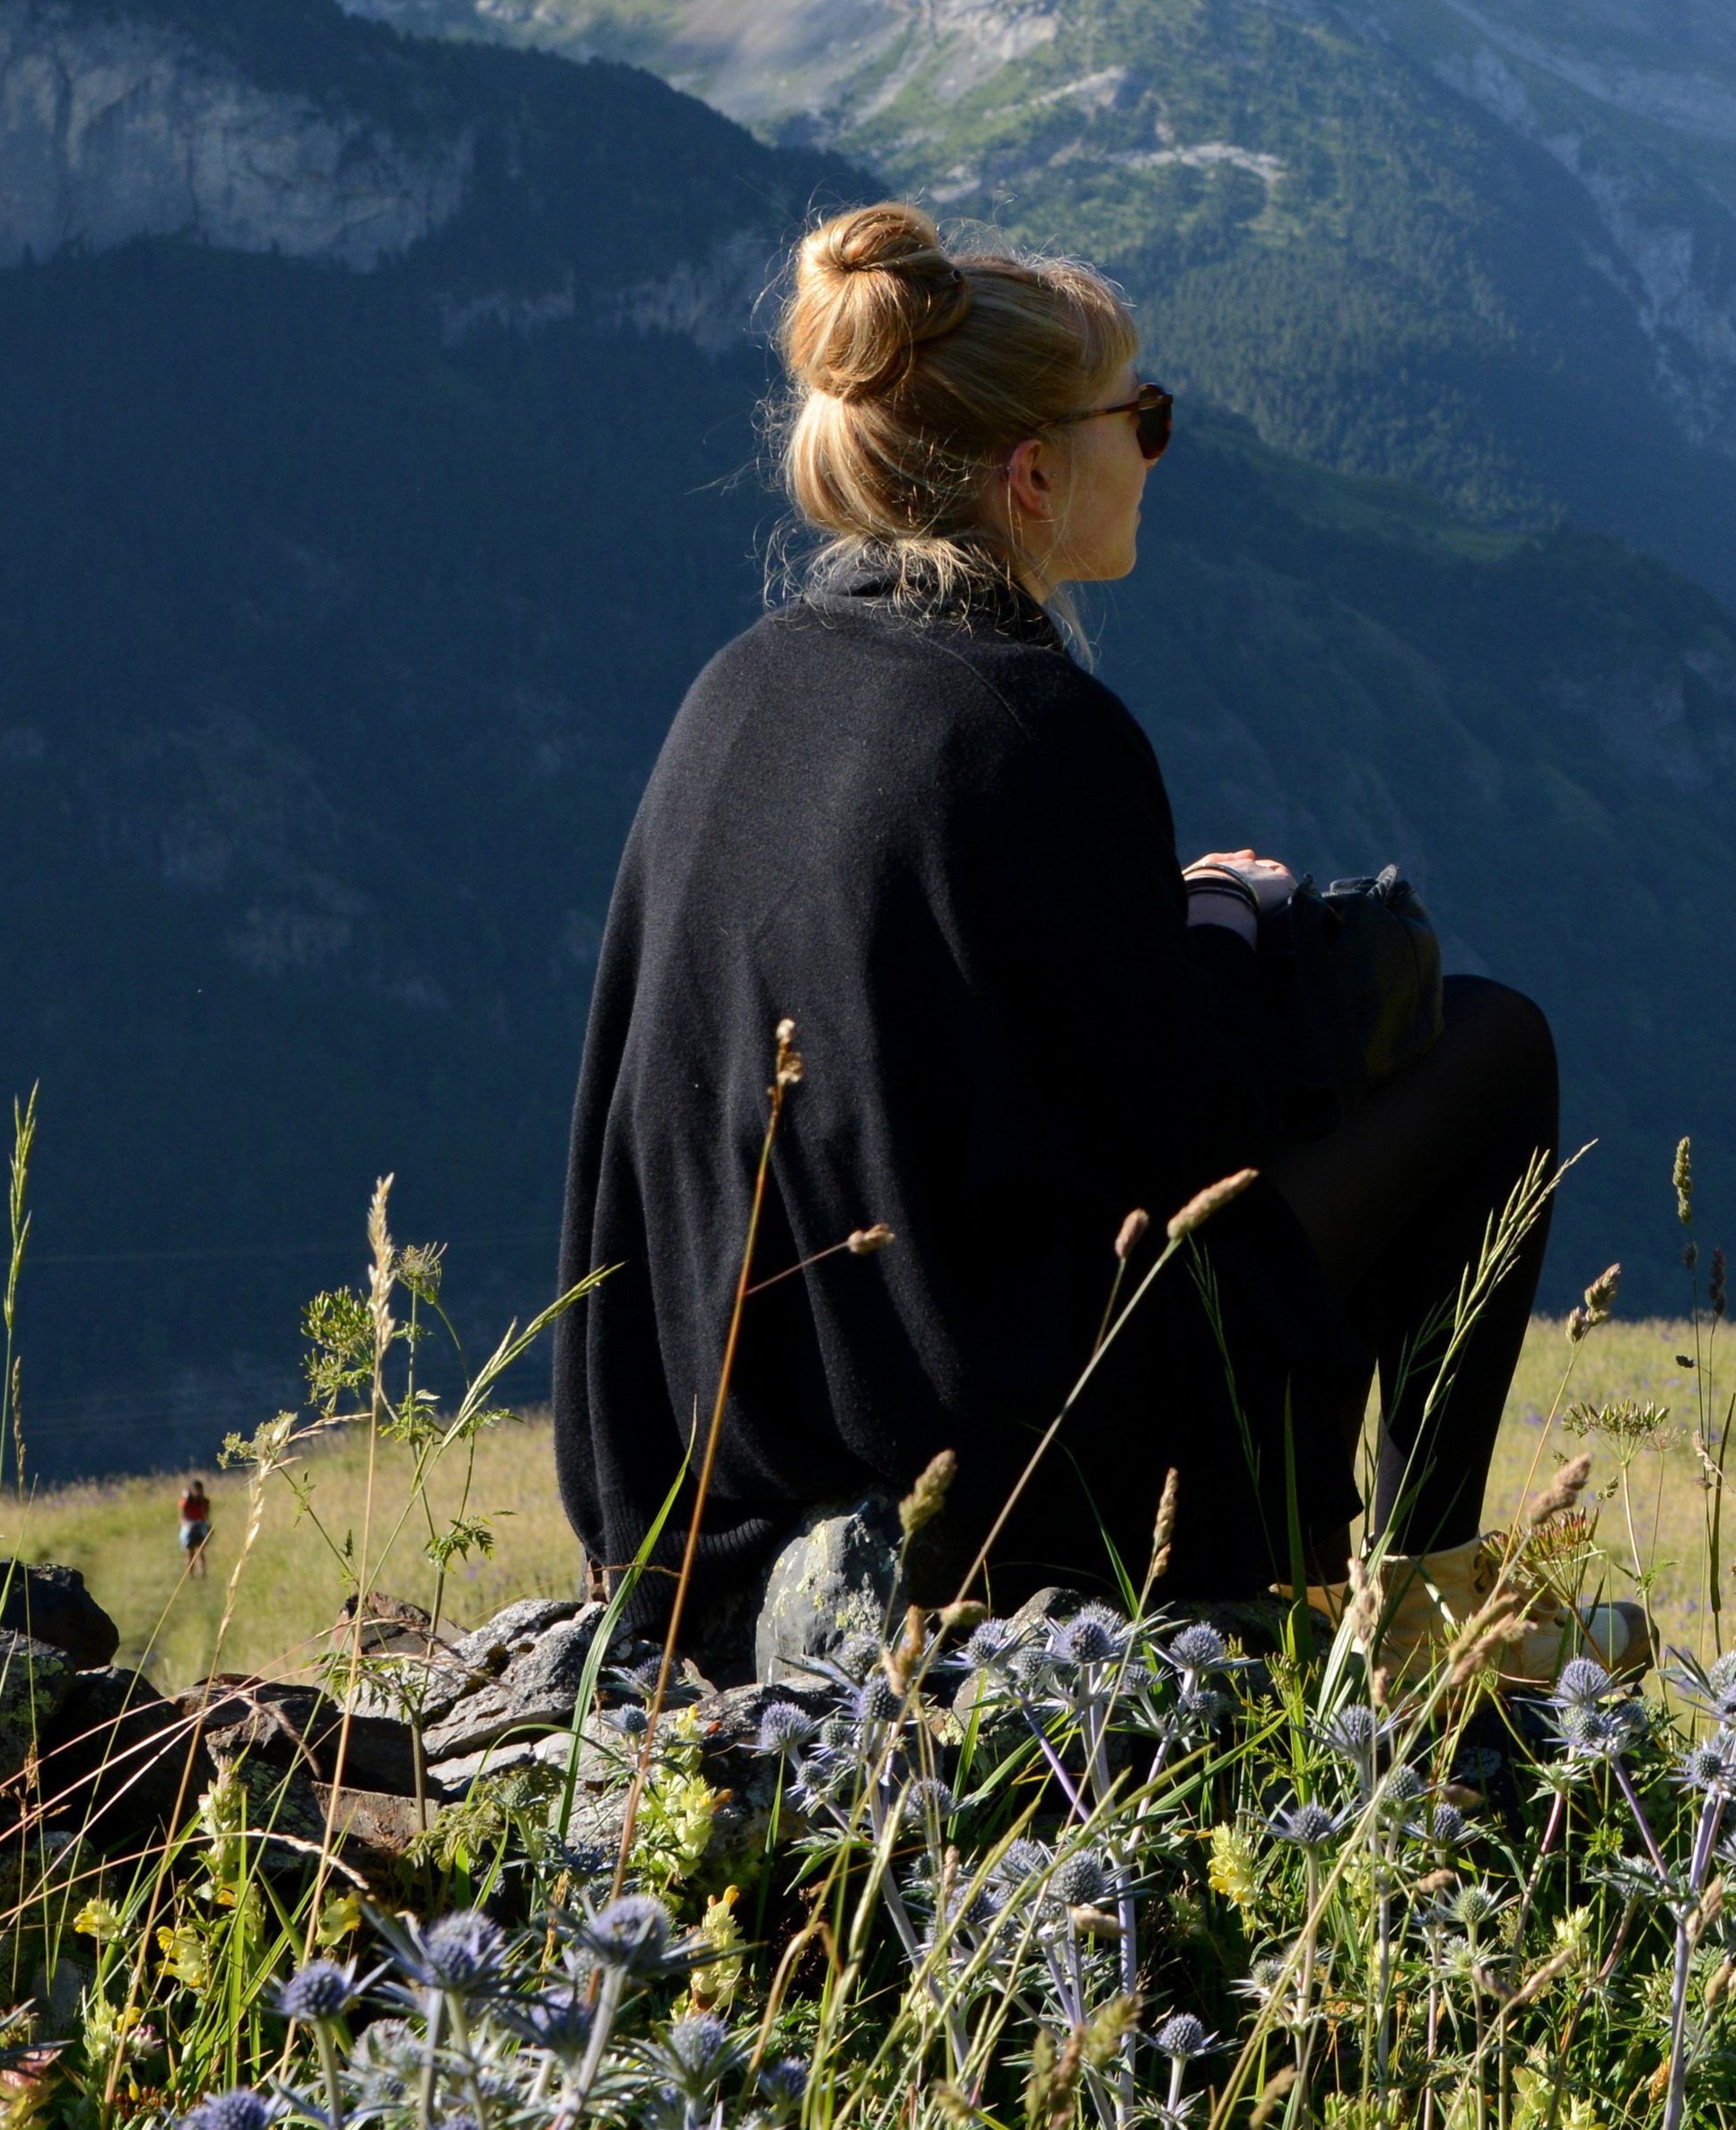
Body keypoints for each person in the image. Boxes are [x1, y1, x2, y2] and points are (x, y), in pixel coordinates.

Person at [553, 203, 1559, 1669]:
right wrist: (1222, 930)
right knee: (1492, 1048)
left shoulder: (735, 696)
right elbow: (1192, 1142)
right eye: (1135, 417)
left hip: (720, 1483)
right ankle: (1413, 1626)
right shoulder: (1033, 729)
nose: (1154, 444)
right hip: (1007, 1488)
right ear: (1031, 474)